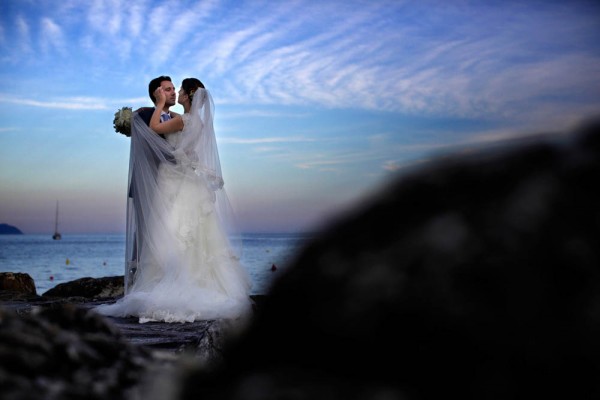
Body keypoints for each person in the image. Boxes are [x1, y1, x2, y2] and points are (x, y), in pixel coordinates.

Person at [96, 78, 252, 323]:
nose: (176, 92)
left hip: (175, 180)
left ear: (189, 95)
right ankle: (200, 282)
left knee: (169, 230)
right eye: (169, 89)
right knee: (190, 234)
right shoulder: (196, 121)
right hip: (185, 179)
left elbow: (155, 129)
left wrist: (158, 104)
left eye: (178, 90)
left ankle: (172, 282)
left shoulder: (183, 119)